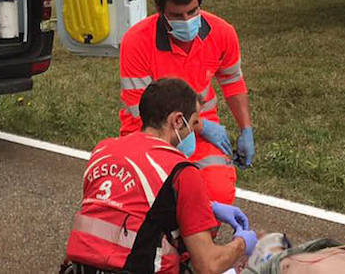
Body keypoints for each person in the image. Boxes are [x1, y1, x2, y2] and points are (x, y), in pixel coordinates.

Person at [64, 78, 257, 274]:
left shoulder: (104, 150)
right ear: (178, 121)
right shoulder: (181, 171)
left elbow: (132, 205)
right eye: (194, 123)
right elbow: (208, 265)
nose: (194, 132)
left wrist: (208, 207)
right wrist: (242, 244)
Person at [119, 0, 253, 204]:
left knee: (217, 195)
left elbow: (232, 82)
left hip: (200, 131)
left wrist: (246, 130)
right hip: (151, 132)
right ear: (160, 12)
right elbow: (139, 111)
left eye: (193, 12)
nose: (187, 21)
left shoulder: (222, 33)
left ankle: (201, 237)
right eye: (178, 15)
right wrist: (200, 126)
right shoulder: (136, 42)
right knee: (159, 202)